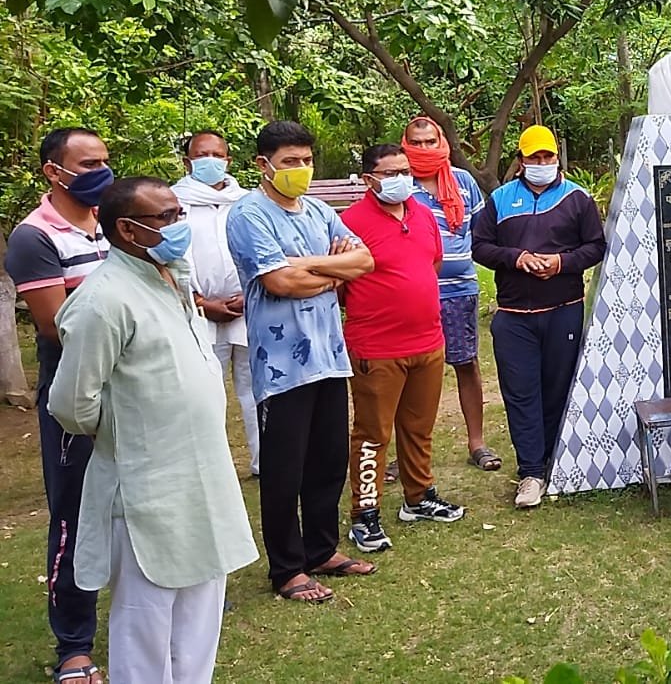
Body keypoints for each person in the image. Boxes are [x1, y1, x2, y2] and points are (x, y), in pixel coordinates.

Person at [50, 178, 256, 684]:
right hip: (146, 485)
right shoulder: (103, 299)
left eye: (179, 212)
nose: (179, 225)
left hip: (202, 473)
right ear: (128, 229)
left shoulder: (173, 274)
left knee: (201, 610)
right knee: (147, 621)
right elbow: (71, 404)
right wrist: (136, 430)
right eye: (165, 217)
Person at [226, 121, 375, 602]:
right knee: (284, 467)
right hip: (280, 364)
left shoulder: (316, 210)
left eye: (307, 160)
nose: (301, 170)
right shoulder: (249, 215)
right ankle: (287, 568)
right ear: (263, 165)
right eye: (291, 161)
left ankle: (321, 549)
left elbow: (365, 262)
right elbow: (278, 283)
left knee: (328, 459)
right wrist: (331, 272)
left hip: (329, 356)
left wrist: (307, 265)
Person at [5, 127, 111, 684]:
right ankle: (74, 645)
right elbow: (56, 325)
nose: (101, 171)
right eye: (88, 162)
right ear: (54, 171)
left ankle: (165, 602)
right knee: (75, 514)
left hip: (133, 390)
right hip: (76, 396)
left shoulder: (114, 222)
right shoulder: (35, 237)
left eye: (105, 160)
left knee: (147, 501)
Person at [472, 125, 605, 509]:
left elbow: (596, 247)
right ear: (520, 161)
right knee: (521, 393)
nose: (542, 163)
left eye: (547, 157)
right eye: (534, 157)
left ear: (556, 159)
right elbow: (480, 246)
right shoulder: (499, 199)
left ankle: (556, 462)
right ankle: (531, 471)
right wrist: (516, 257)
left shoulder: (577, 198)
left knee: (558, 389)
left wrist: (561, 263)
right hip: (513, 316)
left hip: (563, 310)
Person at [340, 144, 466, 552]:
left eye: (405, 170)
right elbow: (341, 285)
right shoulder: (349, 223)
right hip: (376, 346)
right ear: (369, 180)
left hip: (427, 340)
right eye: (390, 172)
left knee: (419, 427)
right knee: (373, 433)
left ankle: (419, 496)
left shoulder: (423, 214)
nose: (401, 179)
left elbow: (431, 265)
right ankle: (365, 512)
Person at [402, 116, 498, 472]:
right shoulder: (399, 185)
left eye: (430, 141)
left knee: (466, 363)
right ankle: (406, 453)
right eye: (417, 143)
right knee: (408, 371)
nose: (424, 149)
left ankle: (477, 443)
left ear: (441, 142)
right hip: (413, 293)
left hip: (459, 290)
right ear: (406, 146)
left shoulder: (462, 181)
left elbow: (480, 229)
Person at [173, 130, 258, 476]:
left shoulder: (247, 201)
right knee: (206, 391)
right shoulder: (173, 203)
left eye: (217, 154)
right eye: (201, 154)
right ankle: (210, 468)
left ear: (228, 160)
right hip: (198, 311)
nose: (210, 160)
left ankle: (264, 461)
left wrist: (251, 294)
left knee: (255, 389)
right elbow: (167, 260)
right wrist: (200, 301)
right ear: (187, 161)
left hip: (247, 308)